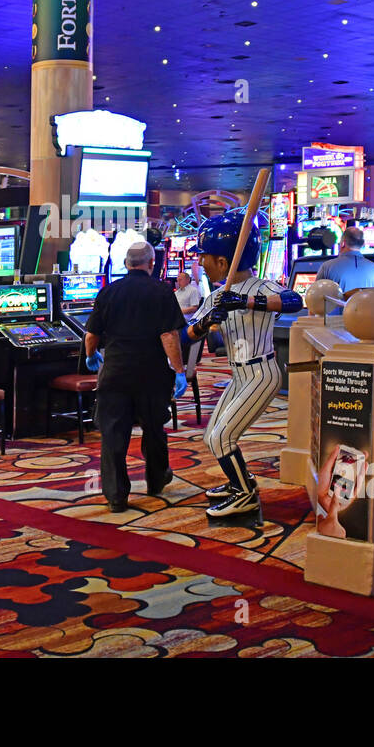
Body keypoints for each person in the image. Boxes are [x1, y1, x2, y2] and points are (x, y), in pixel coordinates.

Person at [184, 209, 303, 519]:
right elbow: (188, 335)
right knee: (212, 434)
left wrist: (248, 302)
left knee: (222, 437)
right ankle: (240, 480)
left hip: (262, 372)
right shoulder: (215, 297)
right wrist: (209, 320)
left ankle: (245, 494)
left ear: (223, 261)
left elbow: (295, 301)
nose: (200, 262)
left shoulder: (259, 286)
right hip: (237, 374)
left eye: (205, 257)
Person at [84, 240, 188, 513]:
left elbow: (92, 334)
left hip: (115, 372)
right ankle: (156, 480)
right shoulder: (162, 291)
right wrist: (179, 370)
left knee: (113, 434)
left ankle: (116, 496)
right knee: (154, 430)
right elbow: (169, 335)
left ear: (126, 264)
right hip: (151, 374)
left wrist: (91, 355)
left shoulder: (108, 291)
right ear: (152, 264)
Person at [316, 226, 374, 313]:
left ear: (343, 243)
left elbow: (315, 301)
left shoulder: (327, 267)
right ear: (363, 244)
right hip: (368, 322)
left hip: (336, 323)